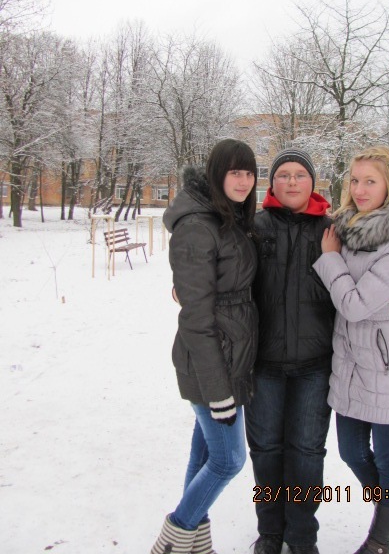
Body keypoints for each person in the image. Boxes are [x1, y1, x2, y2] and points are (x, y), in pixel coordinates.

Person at [245, 149, 389, 554]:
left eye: (300, 174)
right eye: (283, 174)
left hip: (316, 365)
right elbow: (228, 275)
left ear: (313, 182)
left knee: (307, 453)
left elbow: (373, 274)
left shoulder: (333, 230)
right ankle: (270, 531)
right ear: (271, 183)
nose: (291, 181)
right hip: (264, 364)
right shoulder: (254, 228)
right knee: (266, 451)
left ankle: (302, 536)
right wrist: (191, 288)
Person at [313, 145, 389, 554]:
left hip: (387, 364)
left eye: (370, 181)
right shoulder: (346, 227)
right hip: (350, 362)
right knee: (350, 451)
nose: (360, 190)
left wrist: (330, 259)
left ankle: (381, 539)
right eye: (355, 180)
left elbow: (355, 304)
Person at [151, 139, 259, 554]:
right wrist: (218, 391)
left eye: (249, 173)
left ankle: (194, 544)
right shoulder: (198, 227)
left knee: (204, 456)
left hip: (230, 354)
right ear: (216, 174)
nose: (244, 181)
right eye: (234, 172)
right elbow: (196, 320)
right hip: (210, 364)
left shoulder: (225, 216)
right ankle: (174, 538)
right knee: (229, 460)